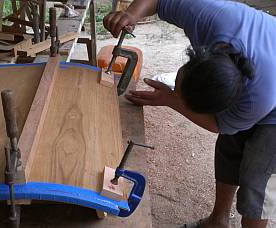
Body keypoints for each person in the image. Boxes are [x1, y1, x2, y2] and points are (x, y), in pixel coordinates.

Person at [103, 0, 276, 227]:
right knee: (229, 149)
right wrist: (132, 14)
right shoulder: (209, 18)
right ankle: (218, 221)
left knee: (257, 182)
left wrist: (172, 101)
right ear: (198, 56)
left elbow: (218, 125)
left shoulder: (256, 100)